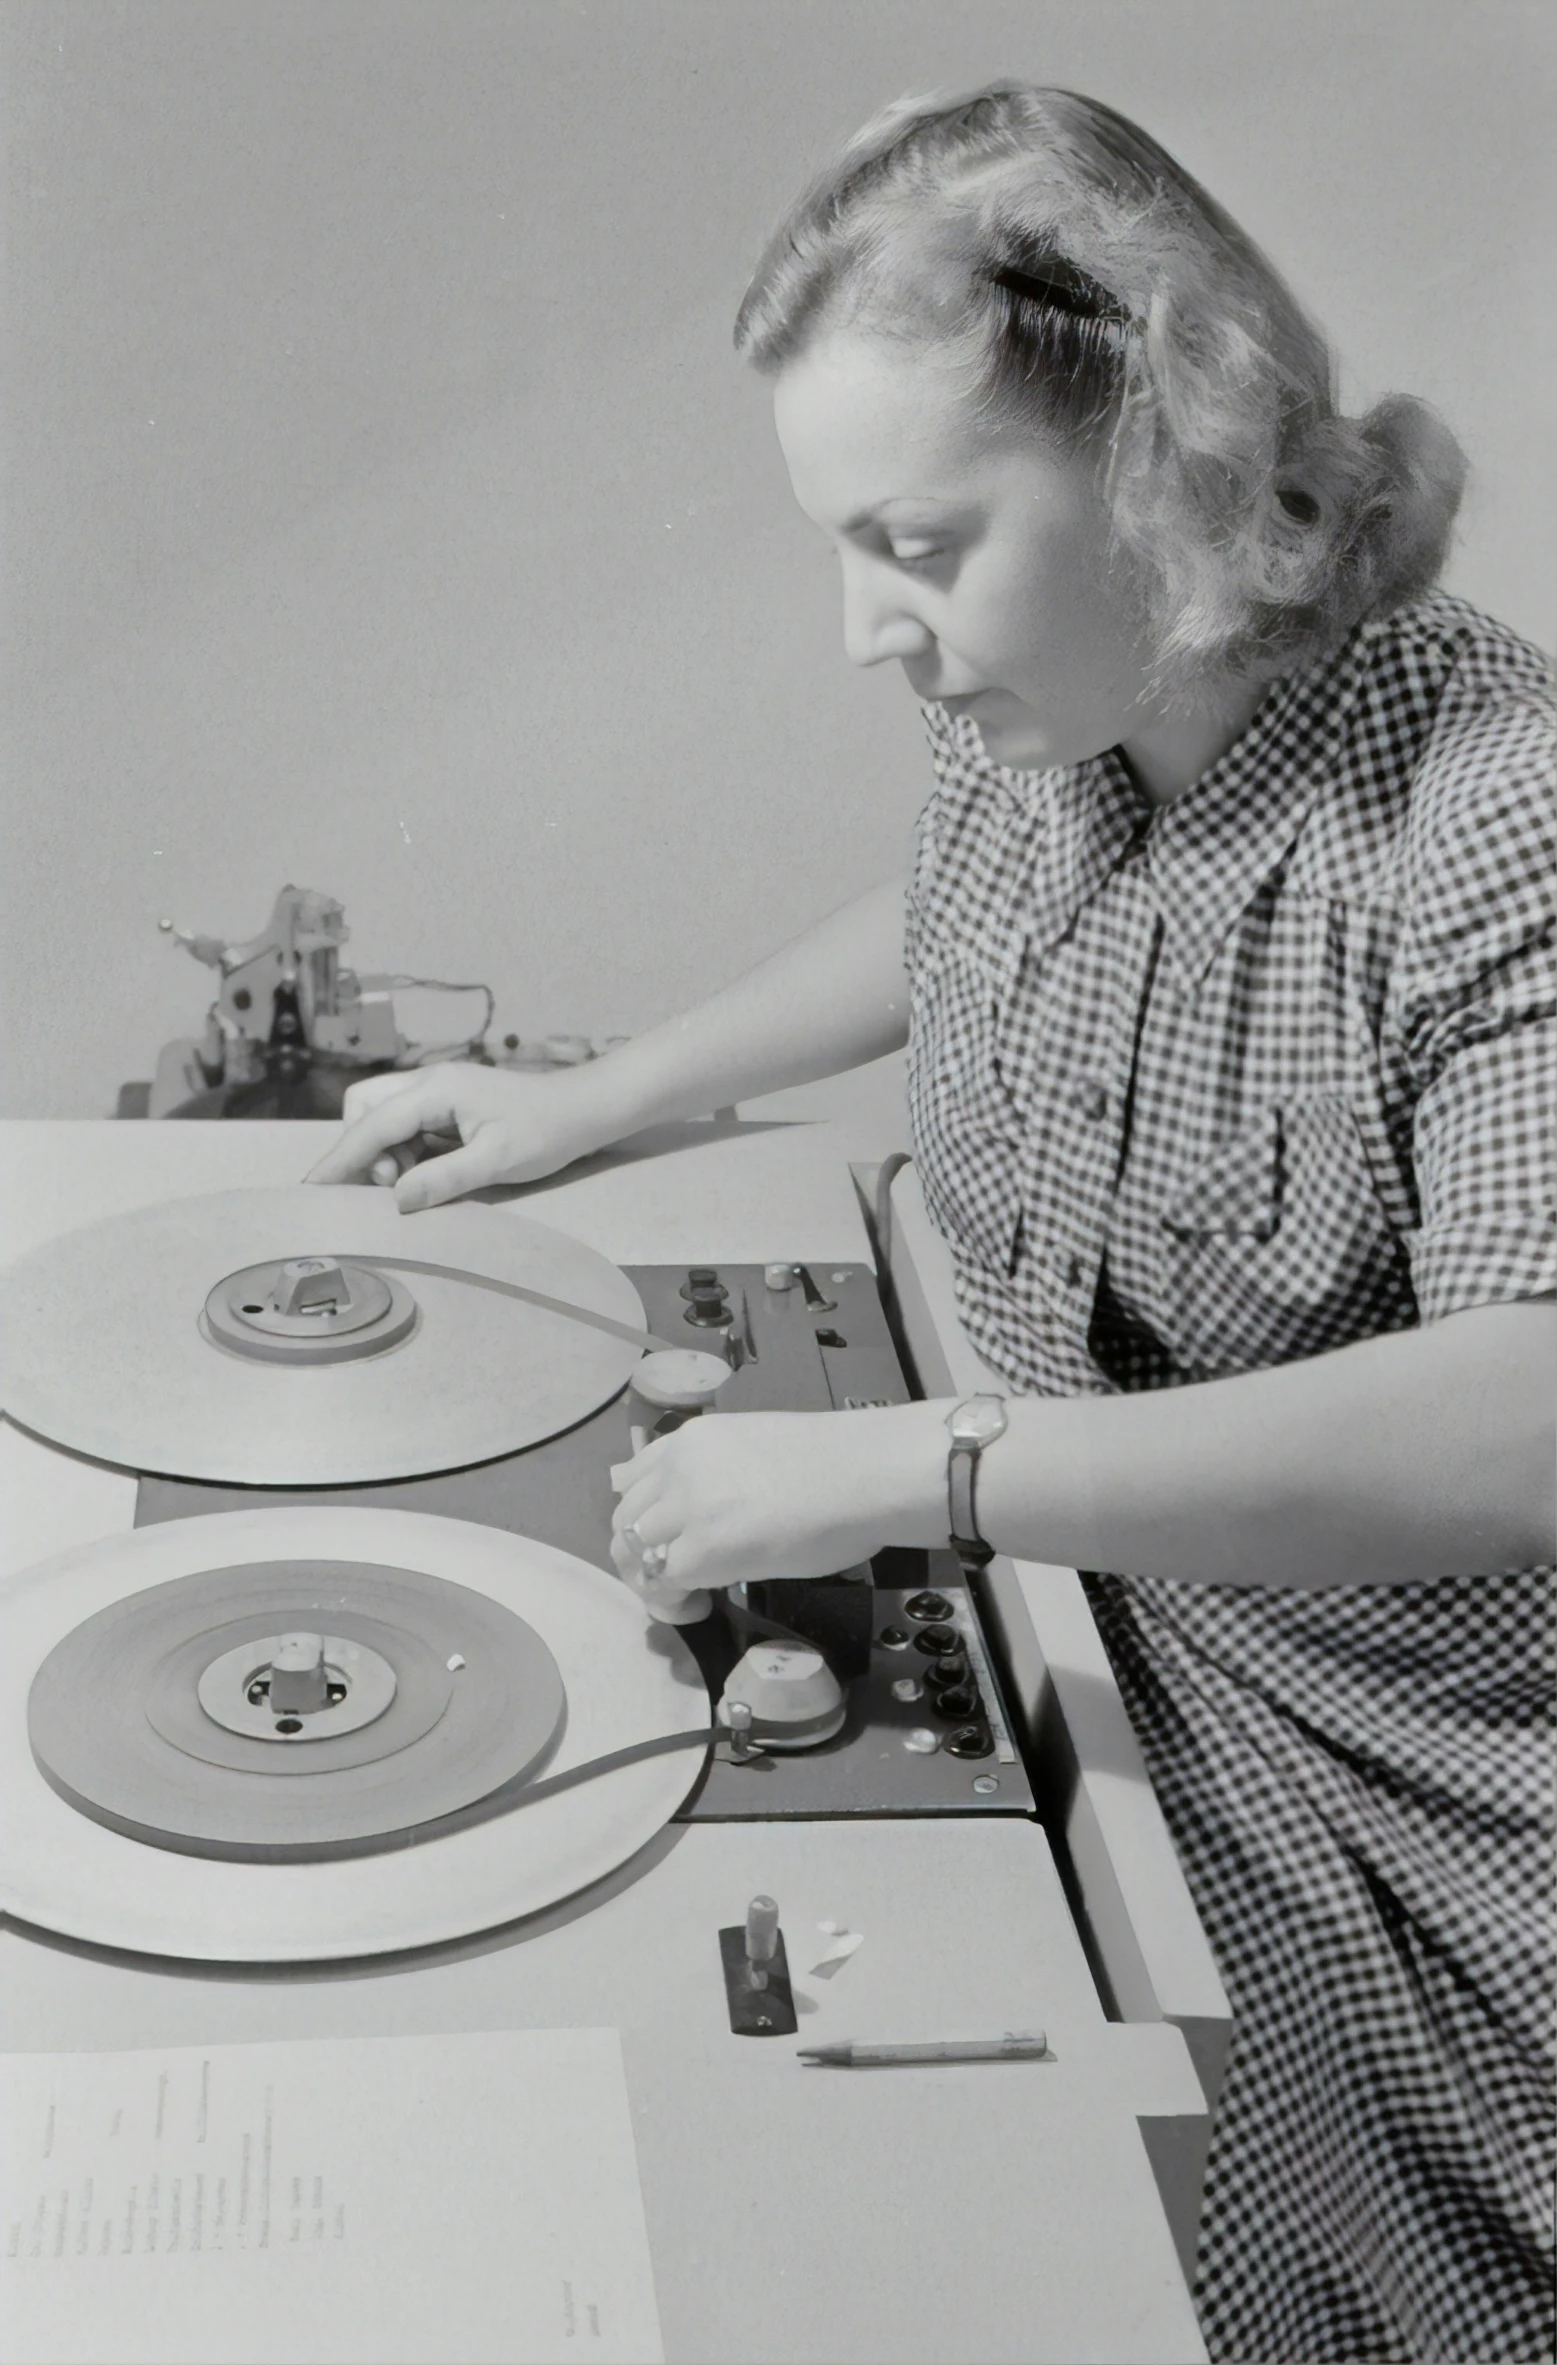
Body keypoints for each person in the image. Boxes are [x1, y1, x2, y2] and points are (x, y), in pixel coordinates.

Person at [308, 85, 1555, 2364]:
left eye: (913, 537)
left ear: (1170, 452)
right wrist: (601, 1091)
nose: (861, 631)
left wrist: (926, 1467)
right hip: (1072, 1628)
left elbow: (1532, 1416)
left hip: (1394, 1812)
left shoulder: (1492, 817)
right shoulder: (1054, 707)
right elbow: (966, 919)